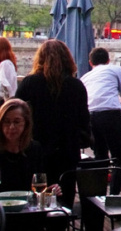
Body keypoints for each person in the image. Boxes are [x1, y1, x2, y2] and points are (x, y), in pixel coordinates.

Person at [17, 40, 90, 187]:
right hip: (67, 151)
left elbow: (17, 112)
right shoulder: (76, 86)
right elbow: (84, 120)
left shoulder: (29, 83)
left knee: (38, 195)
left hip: (37, 150)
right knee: (65, 197)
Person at [81, 47, 121, 190]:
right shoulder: (115, 70)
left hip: (91, 116)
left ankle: (99, 193)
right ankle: (114, 195)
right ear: (108, 60)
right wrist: (120, 105)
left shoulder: (85, 77)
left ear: (91, 63)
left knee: (100, 157)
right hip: (110, 114)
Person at [0, 98, 62, 197]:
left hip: (28, 207)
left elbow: (41, 186)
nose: (11, 127)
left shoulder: (34, 149)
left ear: (26, 124)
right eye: (6, 122)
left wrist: (50, 191)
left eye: (16, 122)